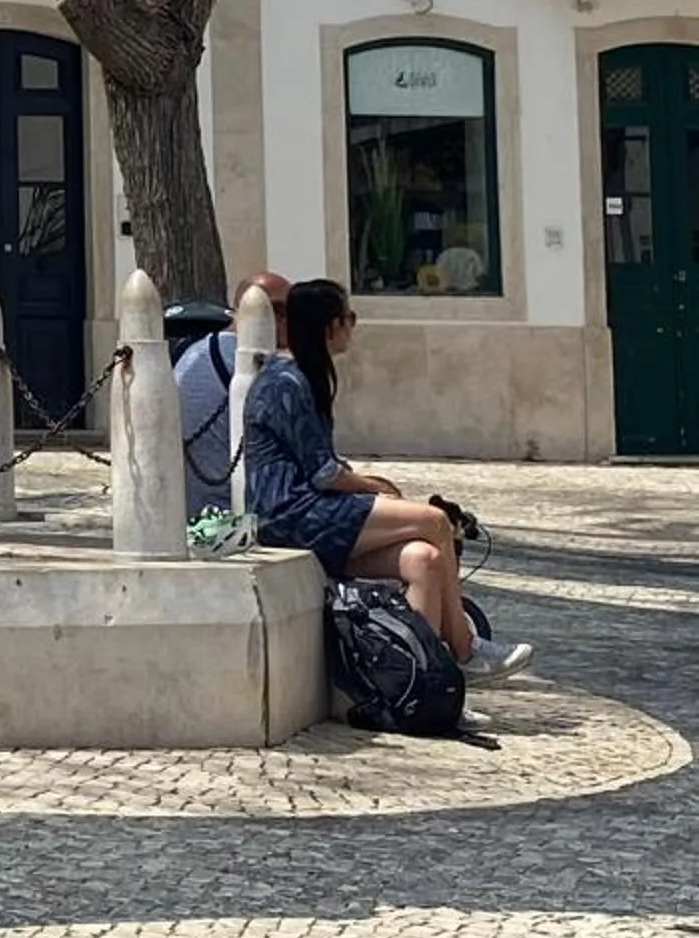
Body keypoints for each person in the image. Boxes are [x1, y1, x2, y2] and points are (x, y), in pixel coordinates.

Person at [243, 277, 531, 684]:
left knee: (424, 560)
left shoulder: (302, 378)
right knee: (433, 521)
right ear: (330, 326)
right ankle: (465, 650)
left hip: (308, 512)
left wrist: (369, 484)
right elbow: (324, 475)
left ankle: (429, 681)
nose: (352, 328)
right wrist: (374, 487)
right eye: (349, 318)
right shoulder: (287, 383)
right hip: (292, 515)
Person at [177, 272, 290, 520]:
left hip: (193, 506)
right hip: (238, 509)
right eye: (277, 310)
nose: (286, 320)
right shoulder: (247, 361)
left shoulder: (200, 350)